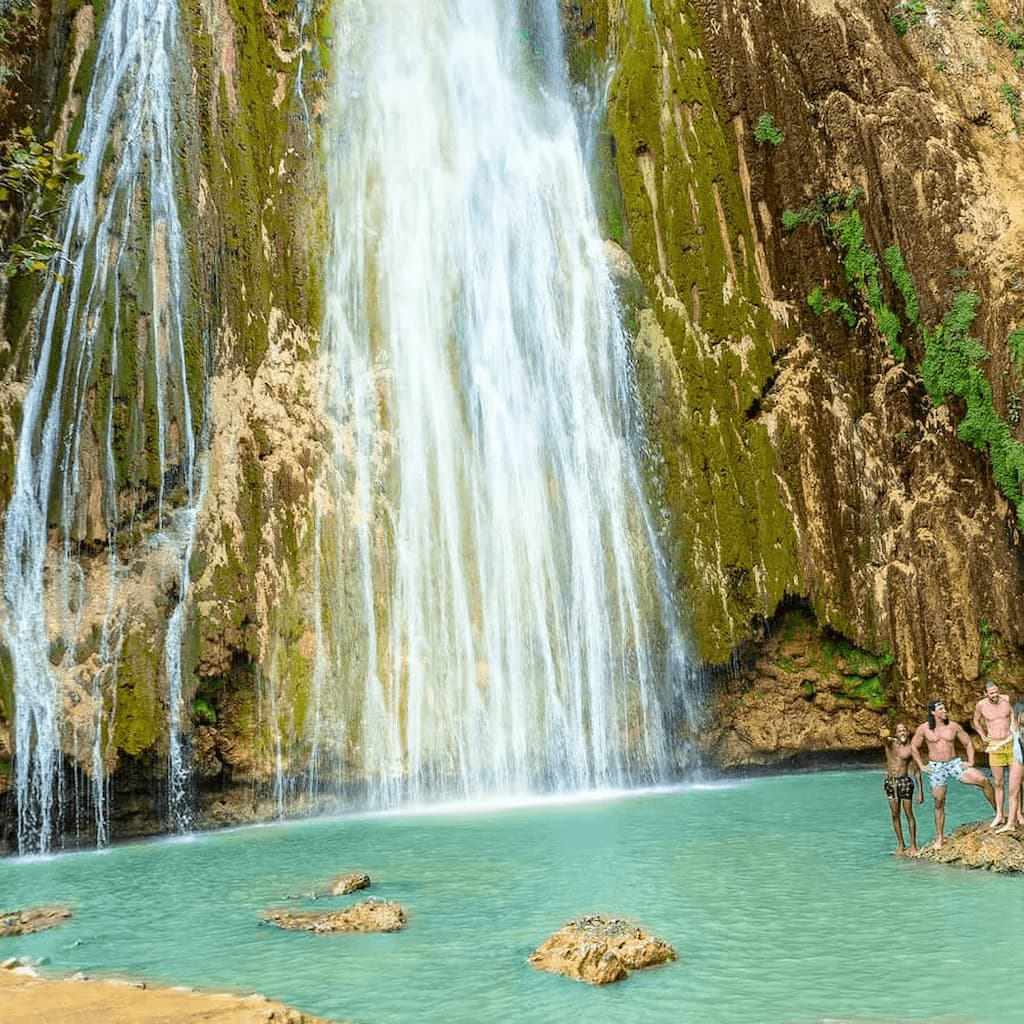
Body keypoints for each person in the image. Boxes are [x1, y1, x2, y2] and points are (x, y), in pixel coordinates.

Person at [910, 699, 997, 850]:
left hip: (954, 764)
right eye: (941, 709)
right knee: (939, 801)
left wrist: (970, 761)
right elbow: (913, 746)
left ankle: (999, 814)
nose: (945, 711)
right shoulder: (924, 728)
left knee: (983, 780)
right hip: (936, 767)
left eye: (945, 708)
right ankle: (939, 837)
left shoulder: (953, 726)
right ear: (933, 712)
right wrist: (921, 766)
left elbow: (968, 743)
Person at [972, 679, 1012, 827]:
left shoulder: (1007, 700)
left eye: (996, 691)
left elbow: (1015, 718)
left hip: (1011, 743)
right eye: (991, 693)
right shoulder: (981, 705)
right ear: (985, 694)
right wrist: (983, 736)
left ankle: (1018, 813)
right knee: (998, 782)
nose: (995, 695)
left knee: (1016, 781)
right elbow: (976, 721)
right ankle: (1000, 814)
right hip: (994, 745)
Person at [880, 722, 923, 855]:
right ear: (896, 733)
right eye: (899, 731)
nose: (902, 733)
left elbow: (916, 771)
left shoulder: (910, 749)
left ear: (907, 732)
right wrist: (883, 731)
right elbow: (884, 738)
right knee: (895, 814)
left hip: (904, 782)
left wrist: (921, 792)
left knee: (908, 813)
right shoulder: (890, 743)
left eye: (904, 730)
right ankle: (900, 844)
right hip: (890, 782)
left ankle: (913, 845)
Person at [996, 702, 1024, 835]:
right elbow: (1013, 736)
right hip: (1018, 759)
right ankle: (1011, 823)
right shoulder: (1015, 722)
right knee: (1013, 791)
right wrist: (999, 745)